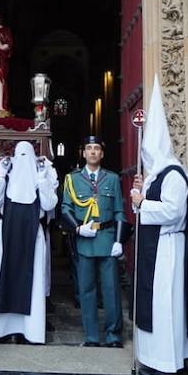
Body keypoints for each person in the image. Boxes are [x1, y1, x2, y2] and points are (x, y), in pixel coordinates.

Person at [130, 77, 188, 375]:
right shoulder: (156, 176)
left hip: (168, 250)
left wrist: (143, 202)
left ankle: (168, 365)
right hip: (154, 248)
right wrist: (138, 199)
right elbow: (145, 210)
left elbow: (173, 211)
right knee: (154, 304)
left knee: (165, 305)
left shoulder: (173, 174)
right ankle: (153, 358)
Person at [0, 142, 57, 345]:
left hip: (33, 234)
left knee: (31, 280)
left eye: (26, 155)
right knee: (0, 277)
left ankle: (28, 330)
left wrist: (41, 178)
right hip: (5, 234)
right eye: (19, 155)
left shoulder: (40, 179)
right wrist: (2, 175)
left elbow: (49, 204)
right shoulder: (8, 177)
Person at [59, 135, 126, 348]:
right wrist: (78, 228)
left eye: (97, 148)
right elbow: (65, 208)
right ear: (84, 153)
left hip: (107, 239)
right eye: (89, 148)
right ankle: (91, 336)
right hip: (85, 240)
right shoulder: (73, 178)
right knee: (86, 290)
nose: (93, 152)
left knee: (111, 289)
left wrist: (119, 240)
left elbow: (119, 211)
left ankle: (114, 335)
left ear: (102, 153)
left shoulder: (112, 178)